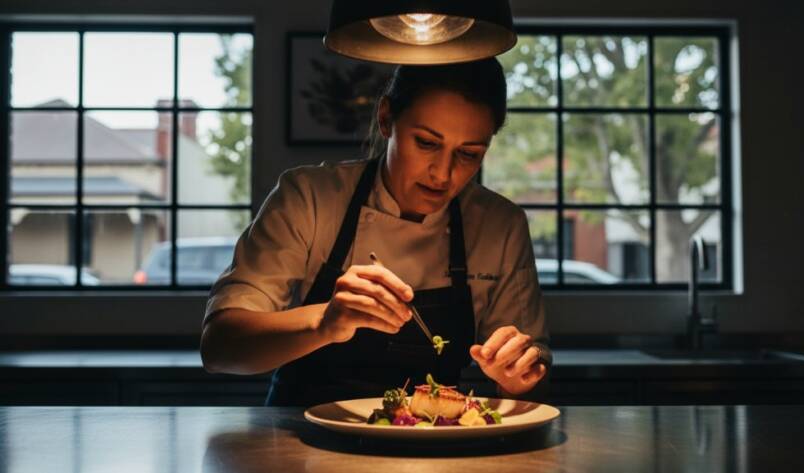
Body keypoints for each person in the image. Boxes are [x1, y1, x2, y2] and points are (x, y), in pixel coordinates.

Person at [200, 57, 551, 406]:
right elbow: (219, 347)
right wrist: (324, 323)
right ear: (386, 118)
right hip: (298, 431)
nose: (443, 174)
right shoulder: (309, 197)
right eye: (426, 143)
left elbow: (532, 384)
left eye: (469, 154)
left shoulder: (500, 224)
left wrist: (517, 378)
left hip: (436, 433)